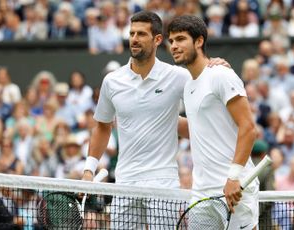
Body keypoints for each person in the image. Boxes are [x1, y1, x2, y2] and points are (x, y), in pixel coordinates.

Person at [82, 11, 229, 229]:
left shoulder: (178, 76)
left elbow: (204, 95)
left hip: (164, 182)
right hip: (125, 183)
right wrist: (88, 170)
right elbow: (103, 126)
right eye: (131, 33)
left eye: (141, 34)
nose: (134, 39)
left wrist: (213, 66)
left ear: (157, 39)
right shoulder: (112, 81)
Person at [167, 15, 259, 229]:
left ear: (199, 41)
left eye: (180, 39)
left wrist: (234, 177)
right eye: (171, 41)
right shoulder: (189, 86)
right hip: (202, 192)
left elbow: (248, 128)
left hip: (236, 187)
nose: (174, 46)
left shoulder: (221, 75)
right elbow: (197, 129)